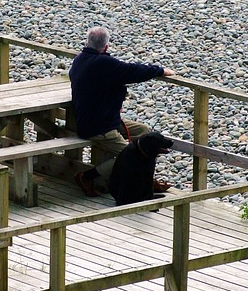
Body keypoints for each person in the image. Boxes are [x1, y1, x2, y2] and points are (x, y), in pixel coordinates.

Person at [69, 26, 175, 197]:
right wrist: (160, 70)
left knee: (145, 133)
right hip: (98, 127)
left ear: (87, 42)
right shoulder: (105, 63)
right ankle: (86, 177)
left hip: (104, 119)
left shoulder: (80, 59)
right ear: (106, 47)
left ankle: (146, 179)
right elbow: (133, 71)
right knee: (129, 156)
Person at [108, 131, 173, 206]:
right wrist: (120, 203)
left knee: (147, 178)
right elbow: (123, 180)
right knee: (127, 177)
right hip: (121, 193)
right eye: (161, 140)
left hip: (138, 193)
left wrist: (150, 201)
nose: (167, 141)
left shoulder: (149, 153)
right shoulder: (129, 153)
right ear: (151, 144)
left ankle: (146, 199)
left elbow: (149, 179)